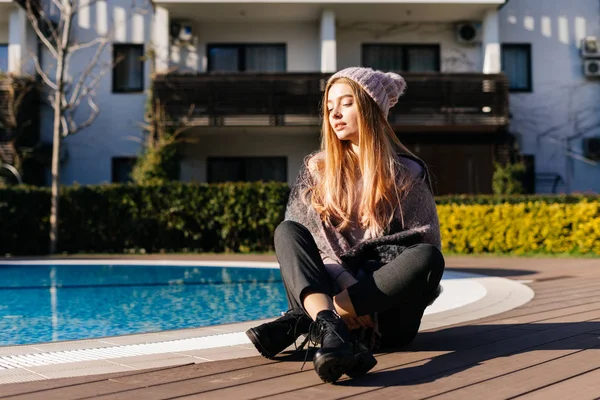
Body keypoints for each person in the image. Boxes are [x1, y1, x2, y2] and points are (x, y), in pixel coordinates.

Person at [245, 67, 445, 384]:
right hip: (329, 290)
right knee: (287, 232)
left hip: (386, 315)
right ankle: (330, 324)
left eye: (347, 103)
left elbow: (419, 246)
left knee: (427, 256)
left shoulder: (408, 171)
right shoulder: (317, 169)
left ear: (371, 108)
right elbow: (309, 242)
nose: (335, 114)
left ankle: (309, 322)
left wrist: (358, 295)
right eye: (329, 107)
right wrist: (344, 279)